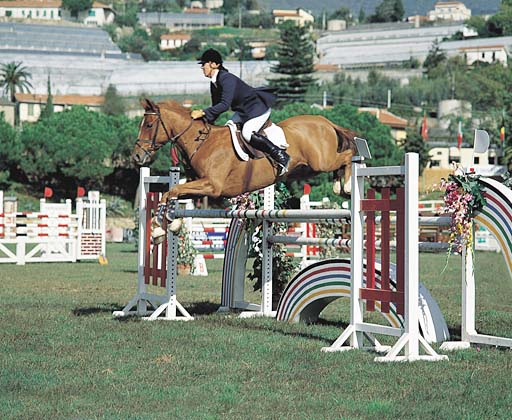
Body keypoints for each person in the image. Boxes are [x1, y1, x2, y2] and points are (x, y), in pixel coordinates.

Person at [191, 48, 290, 175]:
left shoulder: (226, 79)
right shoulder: (214, 83)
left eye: (204, 64)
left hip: (257, 108)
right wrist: (204, 122)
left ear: (214, 64)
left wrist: (203, 112)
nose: (202, 67)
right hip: (243, 111)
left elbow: (224, 105)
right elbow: (216, 107)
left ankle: (280, 155)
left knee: (247, 133)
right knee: (228, 129)